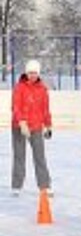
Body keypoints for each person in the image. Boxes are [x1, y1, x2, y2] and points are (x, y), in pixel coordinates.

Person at [11, 60, 52, 197]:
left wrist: (48, 125)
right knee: (19, 157)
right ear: (26, 73)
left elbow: (45, 109)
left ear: (38, 73)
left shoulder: (42, 89)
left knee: (40, 157)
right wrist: (22, 123)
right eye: (30, 73)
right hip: (19, 127)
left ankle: (44, 186)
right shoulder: (19, 87)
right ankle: (16, 186)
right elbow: (15, 107)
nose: (32, 75)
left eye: (35, 73)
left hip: (36, 127)